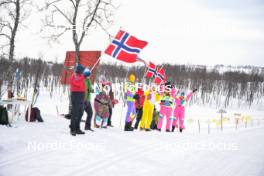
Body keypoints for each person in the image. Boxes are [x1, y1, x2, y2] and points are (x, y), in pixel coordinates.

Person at [69, 64, 86, 136]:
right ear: (80, 70)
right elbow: (77, 84)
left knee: (80, 112)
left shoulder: (81, 76)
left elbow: (82, 85)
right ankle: (73, 129)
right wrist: (82, 79)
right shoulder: (74, 76)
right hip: (76, 95)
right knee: (75, 113)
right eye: (82, 70)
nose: (83, 72)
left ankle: (77, 128)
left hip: (81, 95)